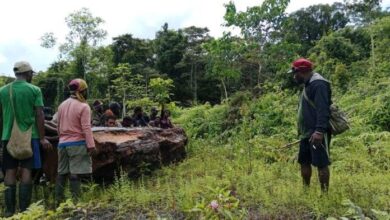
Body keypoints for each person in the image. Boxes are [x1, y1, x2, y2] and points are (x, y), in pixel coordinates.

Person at [0, 61, 52, 217]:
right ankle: (24, 211)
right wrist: (43, 138)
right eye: (32, 74)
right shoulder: (34, 90)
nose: (32, 76)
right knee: (26, 171)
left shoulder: (2, 91)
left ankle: (9, 211)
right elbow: (39, 114)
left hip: (8, 137)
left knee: (9, 171)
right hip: (30, 137)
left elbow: (0, 117)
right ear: (28, 73)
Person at [290, 58, 332, 192]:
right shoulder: (308, 85)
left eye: (294, 73)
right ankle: (306, 191)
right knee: (304, 161)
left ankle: (324, 195)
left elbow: (323, 109)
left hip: (317, 133)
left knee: (321, 163)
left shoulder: (319, 84)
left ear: (300, 71)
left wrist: (319, 131)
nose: (293, 77)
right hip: (306, 133)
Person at [55, 78, 96, 205]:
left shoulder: (62, 105)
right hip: (77, 144)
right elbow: (86, 127)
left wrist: (61, 139)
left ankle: (59, 201)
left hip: (62, 144)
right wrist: (91, 145)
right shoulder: (84, 106)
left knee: (61, 173)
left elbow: (58, 125)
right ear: (82, 91)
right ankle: (76, 203)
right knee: (75, 174)